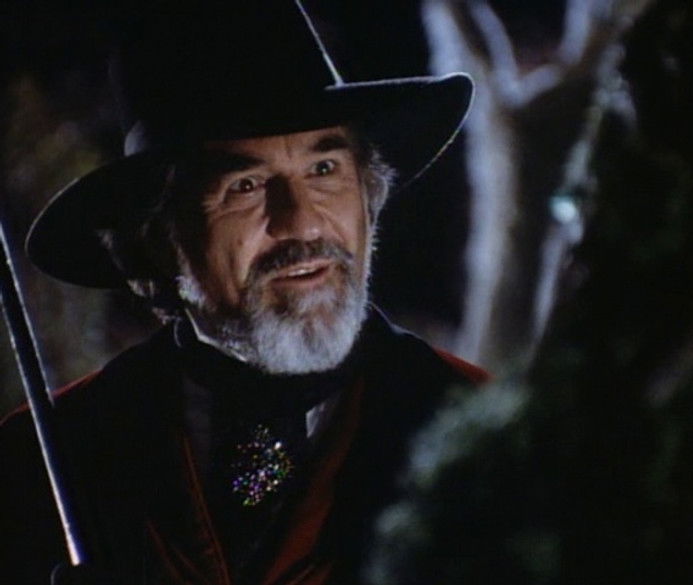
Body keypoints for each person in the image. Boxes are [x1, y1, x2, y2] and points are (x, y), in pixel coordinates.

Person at [0, 2, 485, 584]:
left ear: (369, 196)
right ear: (156, 239)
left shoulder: (494, 437)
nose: (301, 222)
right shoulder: (37, 462)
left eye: (324, 170)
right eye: (246, 185)